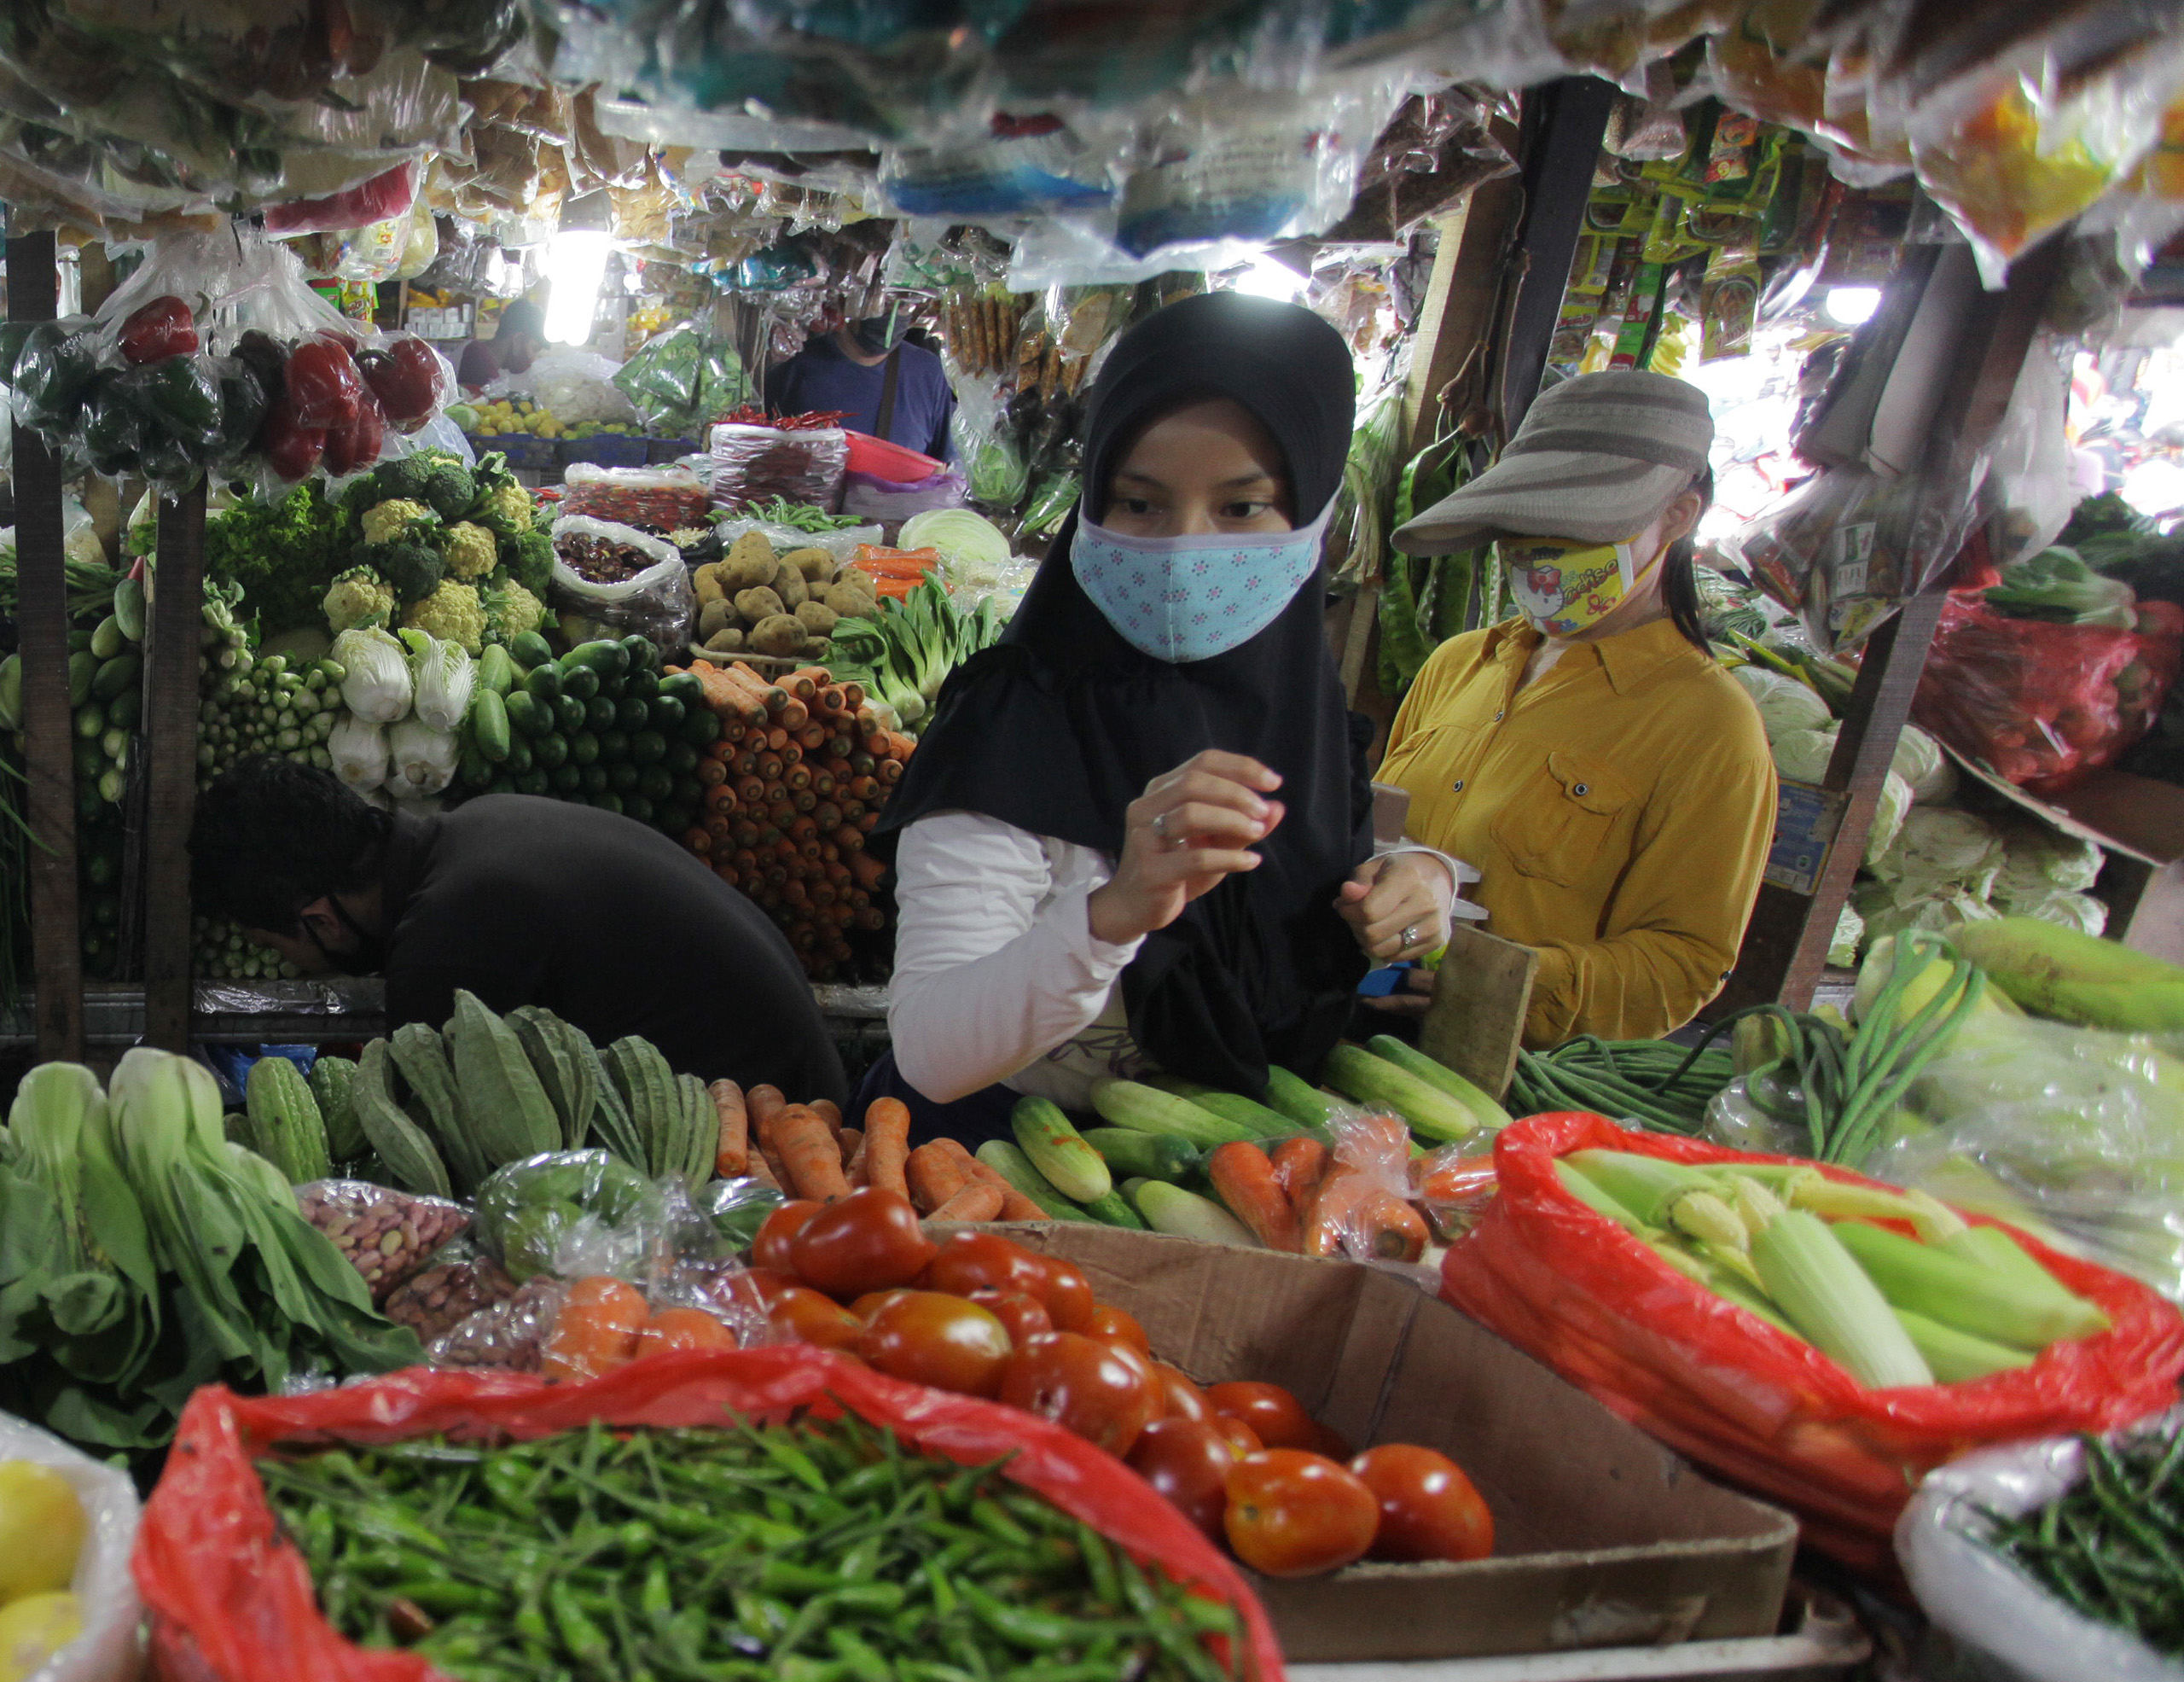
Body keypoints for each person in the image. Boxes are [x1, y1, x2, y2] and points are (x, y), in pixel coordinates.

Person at [867, 293, 1461, 1142]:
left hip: (1228, 1168)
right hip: (992, 1167)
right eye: (1139, 503)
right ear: (1091, 502)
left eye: (1241, 507)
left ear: (1315, 513)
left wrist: (1416, 879)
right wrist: (1120, 906)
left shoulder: (1307, 716)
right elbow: (929, 1047)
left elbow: (1300, 915)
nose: (1185, 547)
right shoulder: (1012, 726)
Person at [1375, 370, 1774, 1047]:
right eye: (1524, 523)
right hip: (1350, 1035)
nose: (1539, 553)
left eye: (1576, 524)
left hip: (1505, 1086)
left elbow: (1684, 965)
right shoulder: (1457, 664)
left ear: (1679, 515)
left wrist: (1494, 983)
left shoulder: (1710, 727)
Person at [191, 758, 847, 1106]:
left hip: (777, 1137)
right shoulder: (476, 824)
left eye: (280, 948)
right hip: (796, 1077)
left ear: (321, 919)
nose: (299, 968)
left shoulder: (445, 942)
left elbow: (447, 1145)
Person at [765, 309, 954, 463]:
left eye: (903, 303)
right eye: (884, 301)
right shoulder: (793, 366)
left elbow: (942, 467)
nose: (892, 309)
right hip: (806, 506)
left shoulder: (928, 372)